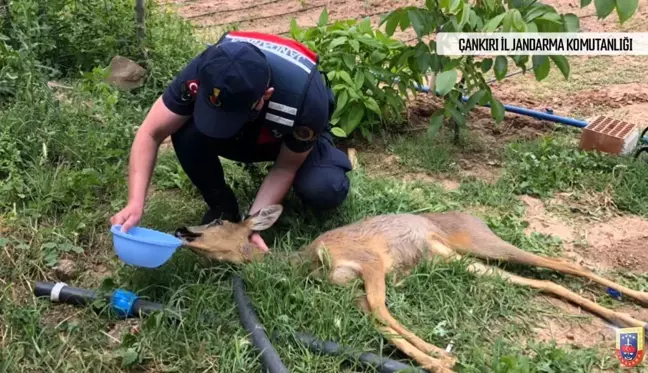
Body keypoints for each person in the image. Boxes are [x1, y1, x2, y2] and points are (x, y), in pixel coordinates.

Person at [110, 31, 353, 251]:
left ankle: (320, 165)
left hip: (285, 134)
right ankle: (222, 206)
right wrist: (135, 202)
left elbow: (285, 167)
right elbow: (150, 132)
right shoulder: (207, 68)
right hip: (245, 132)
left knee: (324, 187)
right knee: (186, 132)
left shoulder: (305, 100)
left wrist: (251, 227)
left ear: (265, 96)